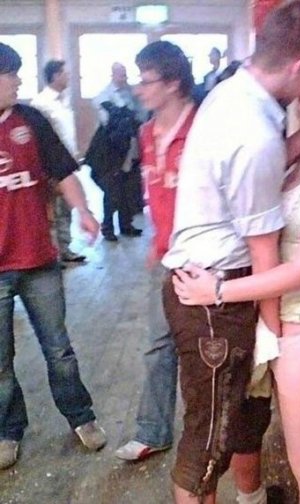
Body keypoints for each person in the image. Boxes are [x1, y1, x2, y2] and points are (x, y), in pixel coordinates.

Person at [160, 1, 300, 503]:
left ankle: (251, 497)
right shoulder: (253, 132)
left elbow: (260, 173)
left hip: (222, 281)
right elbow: (265, 254)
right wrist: (275, 336)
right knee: (208, 442)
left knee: (244, 419)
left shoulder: (239, 94)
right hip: (216, 294)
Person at [0, 42, 106, 471]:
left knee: (59, 349)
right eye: (11, 73)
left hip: (38, 260)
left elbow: (63, 172)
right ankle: (7, 430)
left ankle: (81, 416)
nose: (19, 81)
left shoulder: (31, 120)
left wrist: (84, 210)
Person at [112, 41, 196, 462]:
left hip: (205, 258)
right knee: (158, 344)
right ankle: (153, 430)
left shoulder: (204, 127)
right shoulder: (146, 132)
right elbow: (156, 193)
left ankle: (206, 438)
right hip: (165, 255)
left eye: (147, 81)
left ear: (173, 82)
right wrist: (157, 241)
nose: (139, 88)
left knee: (201, 352)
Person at [31, 59, 86, 263]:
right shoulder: (41, 103)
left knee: (65, 208)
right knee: (52, 211)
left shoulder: (63, 100)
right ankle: (52, 252)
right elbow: (41, 141)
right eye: (65, 73)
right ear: (55, 76)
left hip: (67, 163)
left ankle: (65, 248)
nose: (69, 77)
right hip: (51, 167)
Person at [86, 62, 143, 241]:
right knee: (112, 191)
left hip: (131, 147)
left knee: (128, 188)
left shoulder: (132, 93)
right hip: (112, 152)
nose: (124, 77)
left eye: (125, 74)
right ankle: (108, 227)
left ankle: (126, 224)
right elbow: (108, 123)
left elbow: (140, 116)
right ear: (113, 74)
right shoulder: (104, 96)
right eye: (120, 74)